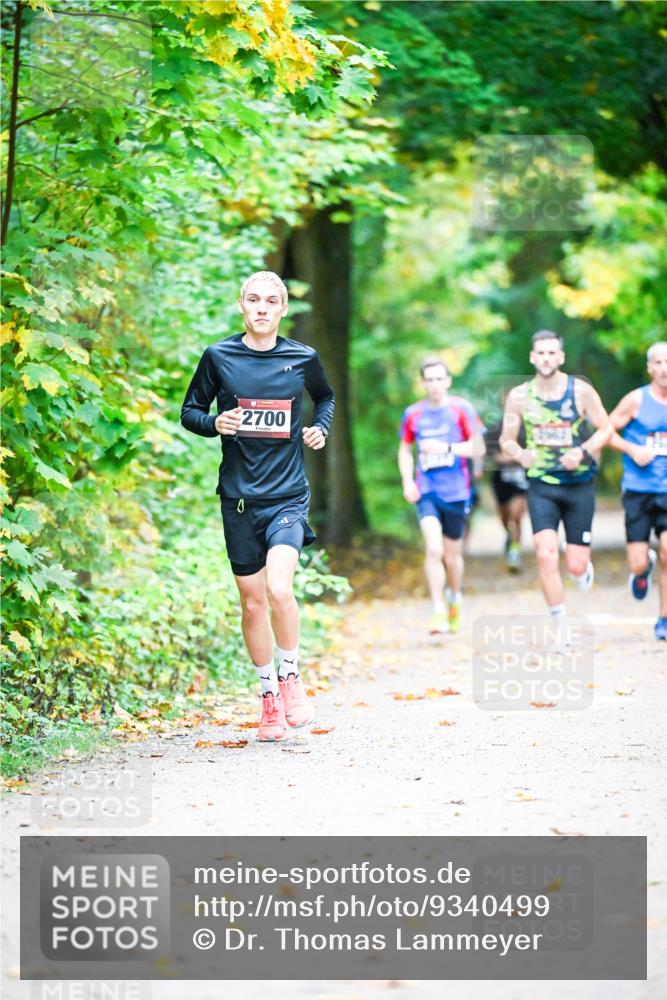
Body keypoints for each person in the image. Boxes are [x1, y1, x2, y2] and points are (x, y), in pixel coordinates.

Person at [180, 271, 335, 741]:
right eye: (253, 299)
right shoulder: (219, 356)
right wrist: (214, 423)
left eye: (271, 300)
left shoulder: (302, 357)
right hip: (240, 500)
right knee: (251, 603)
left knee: (279, 589)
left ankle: (291, 677)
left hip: (287, 496)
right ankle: (268, 696)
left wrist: (319, 428)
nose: (262, 307)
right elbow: (190, 412)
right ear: (241, 305)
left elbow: (325, 398)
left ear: (283, 308)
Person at [500, 330, 612, 622]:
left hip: (579, 485)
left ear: (561, 357)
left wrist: (582, 452)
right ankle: (559, 624)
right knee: (545, 553)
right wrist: (520, 453)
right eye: (541, 353)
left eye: (552, 353)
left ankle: (581, 569)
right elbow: (506, 440)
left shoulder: (581, 391)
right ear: (532, 357)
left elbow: (606, 429)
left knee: (575, 565)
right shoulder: (519, 396)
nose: (546, 358)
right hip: (542, 485)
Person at [398, 358, 485, 635]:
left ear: (448, 381)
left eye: (439, 379)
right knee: (433, 549)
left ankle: (454, 597)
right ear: (423, 383)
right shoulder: (413, 413)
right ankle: (437, 609)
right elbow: (404, 449)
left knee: (452, 557)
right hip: (427, 490)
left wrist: (447, 447)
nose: (434, 385)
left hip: (457, 491)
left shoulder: (462, 409)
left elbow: (479, 447)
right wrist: (407, 481)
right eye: (429, 380)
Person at [608, 341, 667, 641]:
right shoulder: (636, 400)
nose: (664, 368)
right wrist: (632, 448)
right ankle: (644, 569)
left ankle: (664, 618)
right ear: (649, 368)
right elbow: (606, 431)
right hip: (639, 490)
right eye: (658, 362)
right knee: (637, 561)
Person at [484, 414, 528, 572]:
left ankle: (515, 552)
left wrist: (515, 458)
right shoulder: (496, 428)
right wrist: (501, 458)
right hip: (501, 479)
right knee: (504, 516)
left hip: (520, 479)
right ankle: (509, 535)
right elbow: (489, 452)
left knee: (516, 515)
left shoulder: (528, 427)